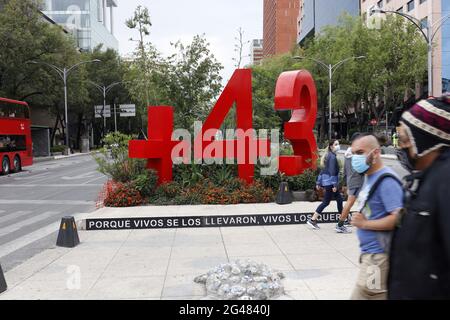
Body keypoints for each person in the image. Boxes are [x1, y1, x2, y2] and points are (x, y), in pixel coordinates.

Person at [388, 93, 450, 300]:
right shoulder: (424, 179)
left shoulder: (445, 180)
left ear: (426, 139)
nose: (403, 146)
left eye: (406, 139)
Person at [349, 134, 404, 300]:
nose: (356, 158)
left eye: (360, 152)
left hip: (377, 258)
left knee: (370, 295)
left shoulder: (386, 181)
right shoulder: (371, 177)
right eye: (353, 153)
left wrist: (365, 224)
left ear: (376, 152)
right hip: (370, 256)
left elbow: (398, 217)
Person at [307, 140, 343, 230]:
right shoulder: (332, 157)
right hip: (331, 183)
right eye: (336, 144)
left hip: (327, 182)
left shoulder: (329, 155)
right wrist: (335, 185)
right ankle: (342, 220)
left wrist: (318, 182)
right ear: (331, 146)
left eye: (338, 144)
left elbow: (323, 171)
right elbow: (332, 172)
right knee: (332, 201)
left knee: (337, 200)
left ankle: (343, 219)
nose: (338, 146)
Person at [335, 133, 364, 234]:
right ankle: (340, 224)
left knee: (353, 202)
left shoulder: (347, 153)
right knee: (351, 202)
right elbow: (361, 168)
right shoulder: (356, 154)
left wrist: (344, 182)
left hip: (351, 180)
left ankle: (342, 223)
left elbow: (345, 170)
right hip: (357, 180)